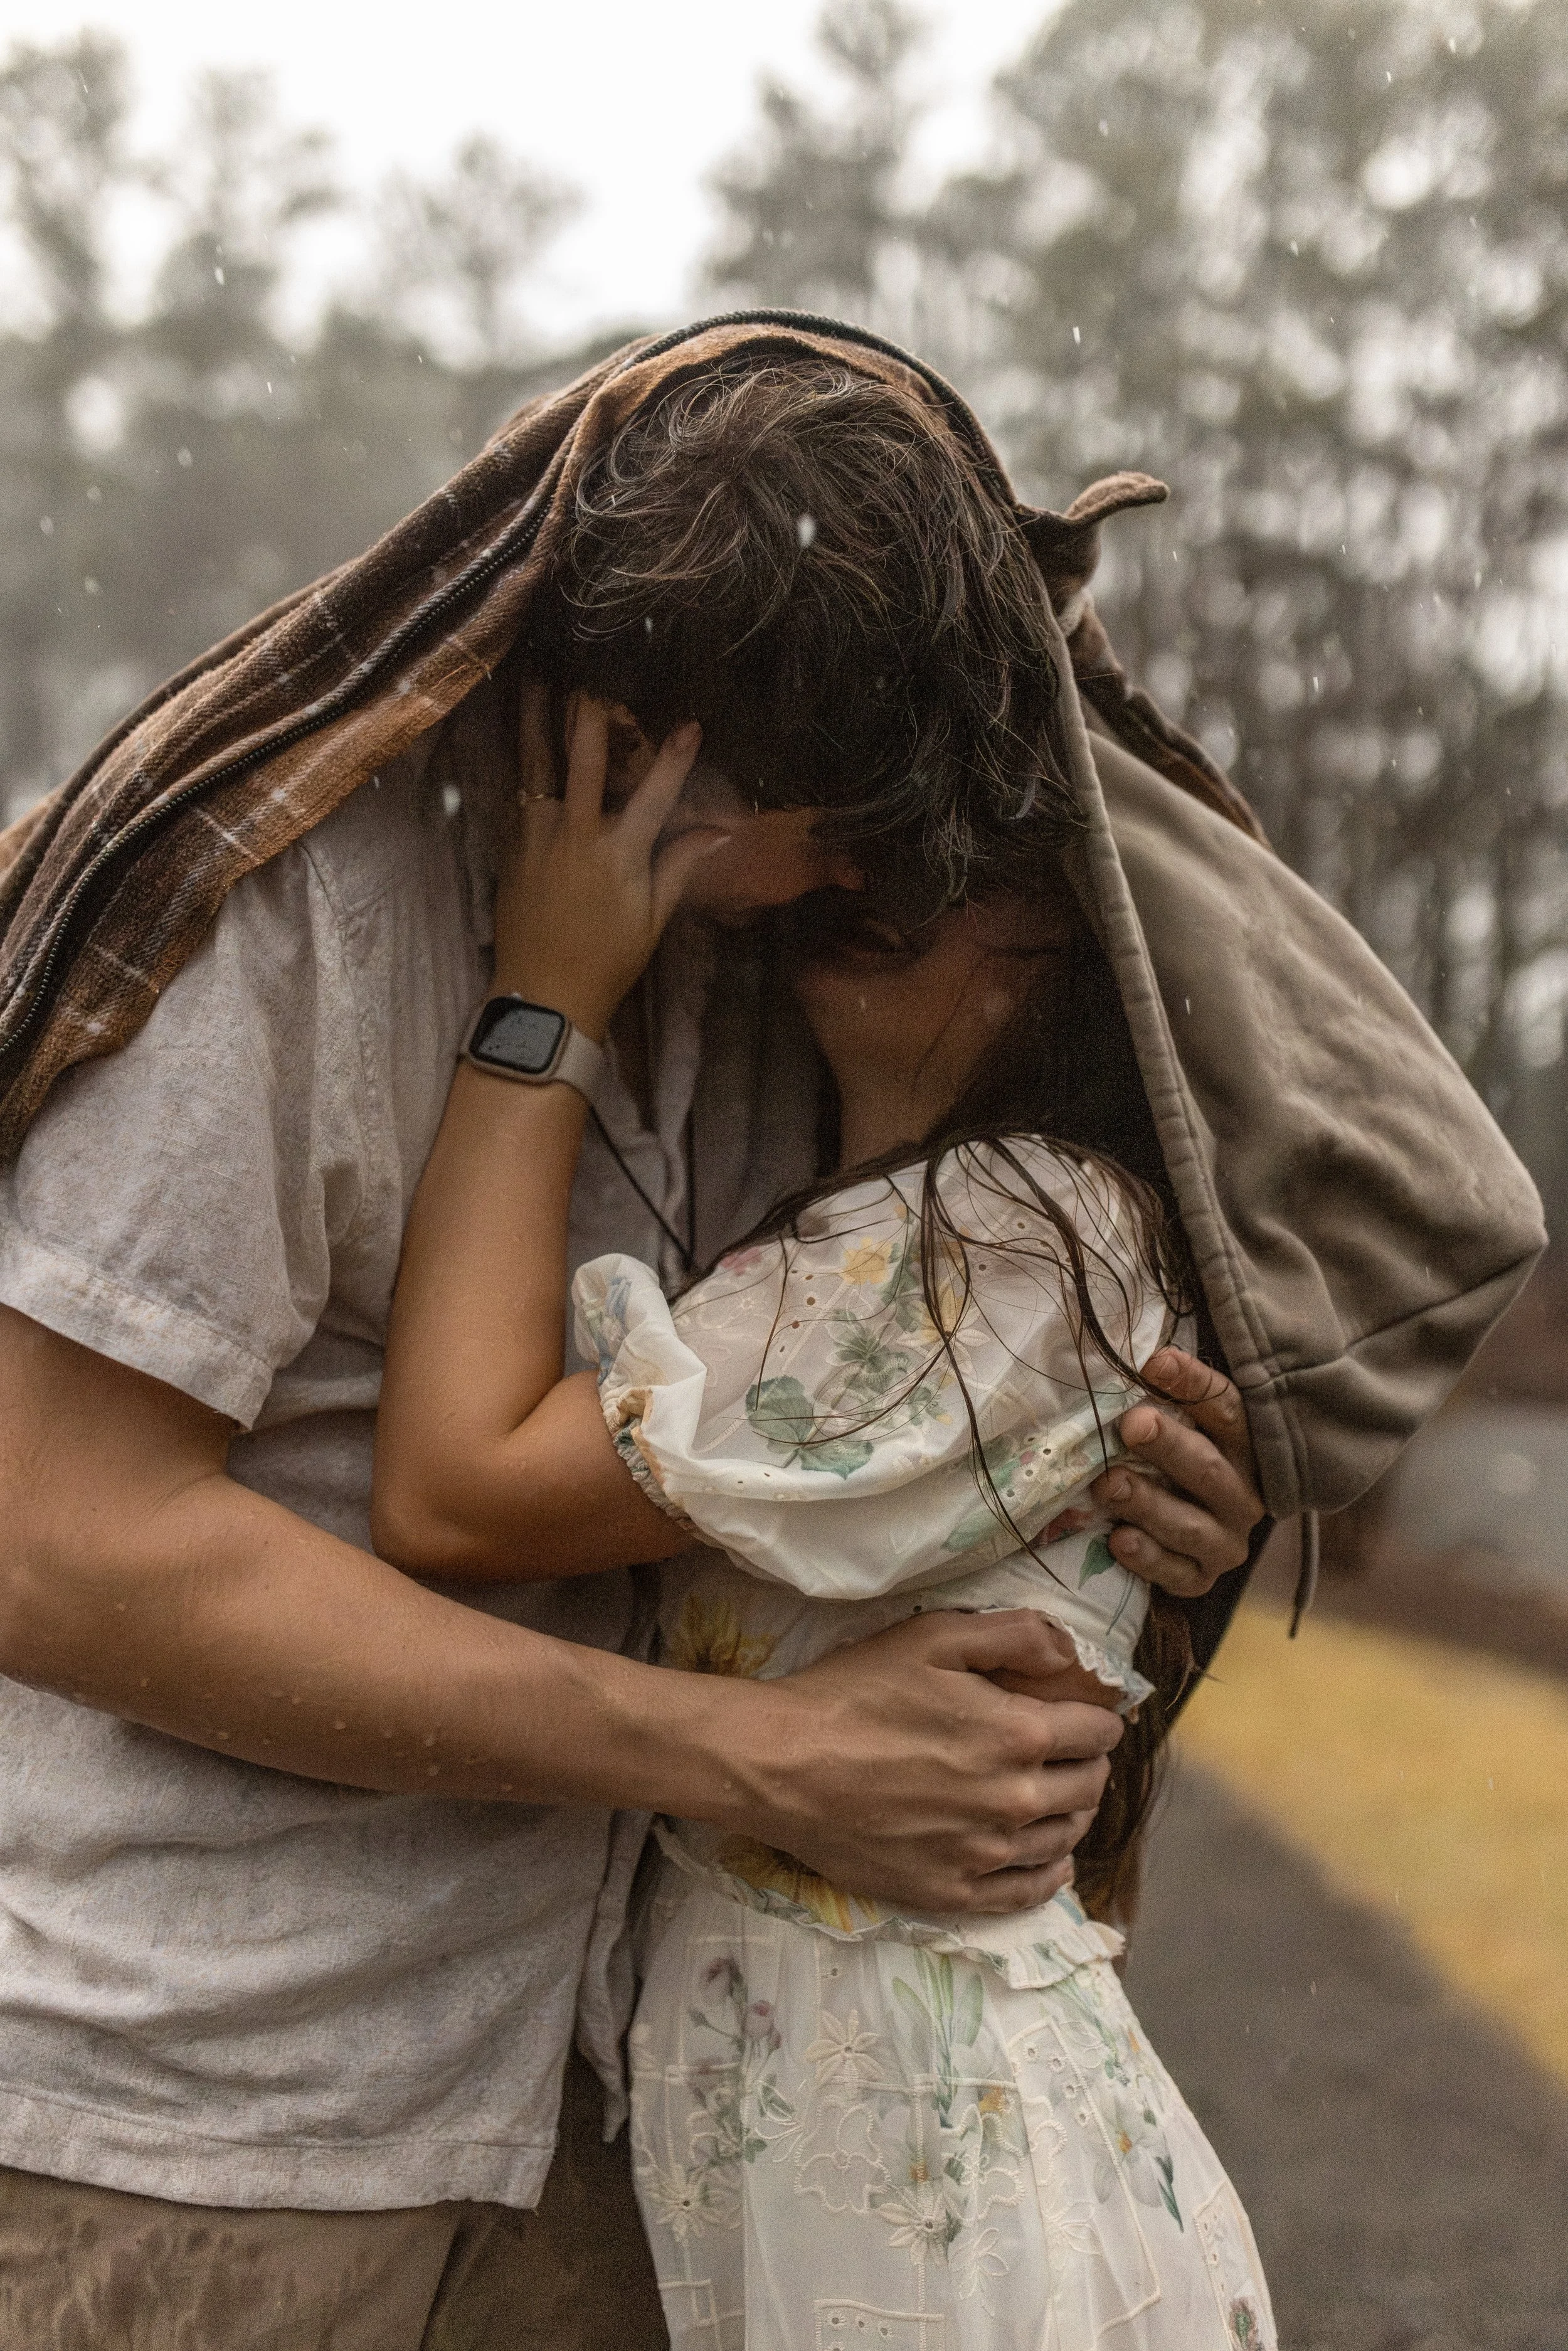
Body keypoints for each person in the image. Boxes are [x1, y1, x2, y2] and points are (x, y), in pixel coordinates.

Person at [0, 350, 1265, 2348]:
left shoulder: (793, 982)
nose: (880, 868)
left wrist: (1120, 1511)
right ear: (633, 741)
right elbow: (56, 1543)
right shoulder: (283, 908)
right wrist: (761, 1754)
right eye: (836, 821)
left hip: (611, 2139)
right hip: (212, 2148)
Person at [371, 686, 1277, 2347]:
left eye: (980, 863)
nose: (903, 882)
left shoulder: (1007, 1230)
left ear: (1086, 946)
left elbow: (456, 1482)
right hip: (882, 2135)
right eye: (892, 844)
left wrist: (545, 994)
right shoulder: (912, 1228)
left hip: (917, 2177)